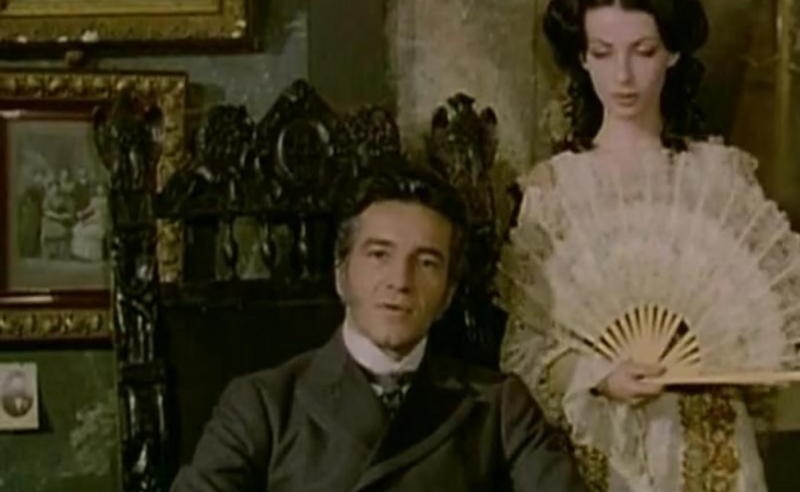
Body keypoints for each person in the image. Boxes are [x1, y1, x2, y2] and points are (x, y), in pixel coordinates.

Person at [171, 161, 590, 492]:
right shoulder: (264, 405)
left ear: (448, 293)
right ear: (341, 274)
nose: (400, 281)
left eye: (426, 262)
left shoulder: (499, 408)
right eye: (378, 255)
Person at [500, 0, 768, 490]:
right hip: (598, 441)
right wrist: (599, 376)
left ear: (673, 53)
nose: (622, 76)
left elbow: (759, 325)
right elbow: (523, 352)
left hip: (707, 440)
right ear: (583, 58)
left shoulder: (722, 180)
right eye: (603, 53)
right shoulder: (555, 191)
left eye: (643, 51)